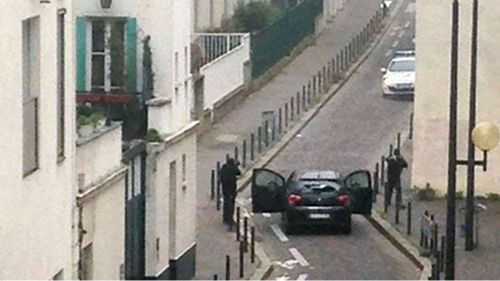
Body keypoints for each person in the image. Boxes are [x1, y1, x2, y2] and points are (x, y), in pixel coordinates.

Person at [219, 158, 241, 231]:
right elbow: (239, 173)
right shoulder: (233, 168)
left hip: (225, 188)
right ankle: (230, 220)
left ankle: (225, 218)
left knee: (226, 203)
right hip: (232, 189)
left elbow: (220, 174)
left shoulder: (224, 167)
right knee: (231, 204)